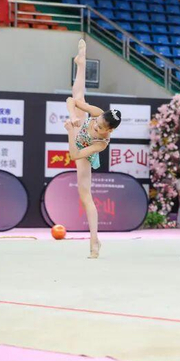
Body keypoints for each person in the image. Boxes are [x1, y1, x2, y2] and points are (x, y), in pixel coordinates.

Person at [64, 39, 122, 258]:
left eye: (99, 128)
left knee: (85, 195)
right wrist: (73, 117)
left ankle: (94, 241)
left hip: (83, 150)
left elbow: (75, 155)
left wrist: (71, 132)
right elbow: (71, 100)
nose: (96, 126)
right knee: (79, 96)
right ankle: (81, 63)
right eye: (96, 122)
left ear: (109, 131)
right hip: (78, 126)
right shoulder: (97, 114)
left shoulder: (101, 143)